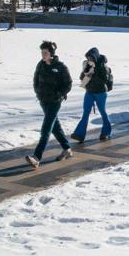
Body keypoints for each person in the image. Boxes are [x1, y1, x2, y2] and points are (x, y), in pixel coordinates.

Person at [28, 40, 74, 168]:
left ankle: (36, 157)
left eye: (46, 52)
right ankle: (67, 148)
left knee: (46, 129)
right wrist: (38, 92)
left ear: (51, 53)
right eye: (42, 52)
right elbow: (35, 80)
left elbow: (68, 83)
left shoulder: (60, 67)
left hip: (55, 101)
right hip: (43, 100)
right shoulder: (40, 65)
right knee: (55, 127)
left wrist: (59, 94)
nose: (43, 55)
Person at [70, 47, 113, 142]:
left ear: (95, 57)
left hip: (101, 92)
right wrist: (86, 72)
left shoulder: (103, 66)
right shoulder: (88, 65)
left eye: (91, 58)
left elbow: (103, 80)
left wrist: (94, 74)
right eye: (88, 58)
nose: (89, 60)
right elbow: (81, 77)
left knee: (102, 112)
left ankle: (106, 132)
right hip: (89, 91)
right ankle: (79, 134)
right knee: (85, 112)